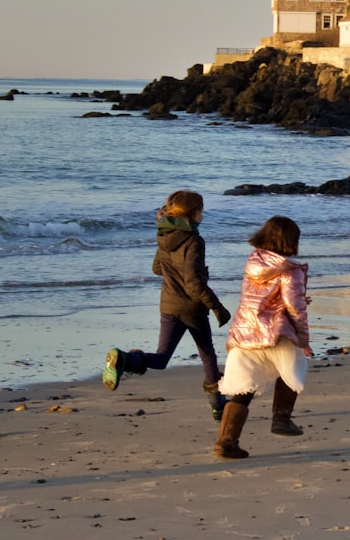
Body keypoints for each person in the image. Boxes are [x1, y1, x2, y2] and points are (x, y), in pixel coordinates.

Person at [103, 190, 232, 421]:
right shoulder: (194, 240)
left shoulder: (164, 236)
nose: (203, 213)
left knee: (162, 359)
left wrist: (175, 272)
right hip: (192, 308)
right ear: (193, 213)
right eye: (201, 209)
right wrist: (217, 307)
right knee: (207, 355)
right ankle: (218, 405)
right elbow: (193, 282)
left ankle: (124, 359)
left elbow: (157, 268)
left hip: (168, 305)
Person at [214, 216, 311, 459]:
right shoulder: (291, 271)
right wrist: (304, 339)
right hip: (276, 332)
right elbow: (295, 307)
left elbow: (261, 297)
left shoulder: (253, 261)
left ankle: (225, 443)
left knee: (244, 388)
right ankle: (281, 418)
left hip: (245, 331)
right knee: (293, 370)